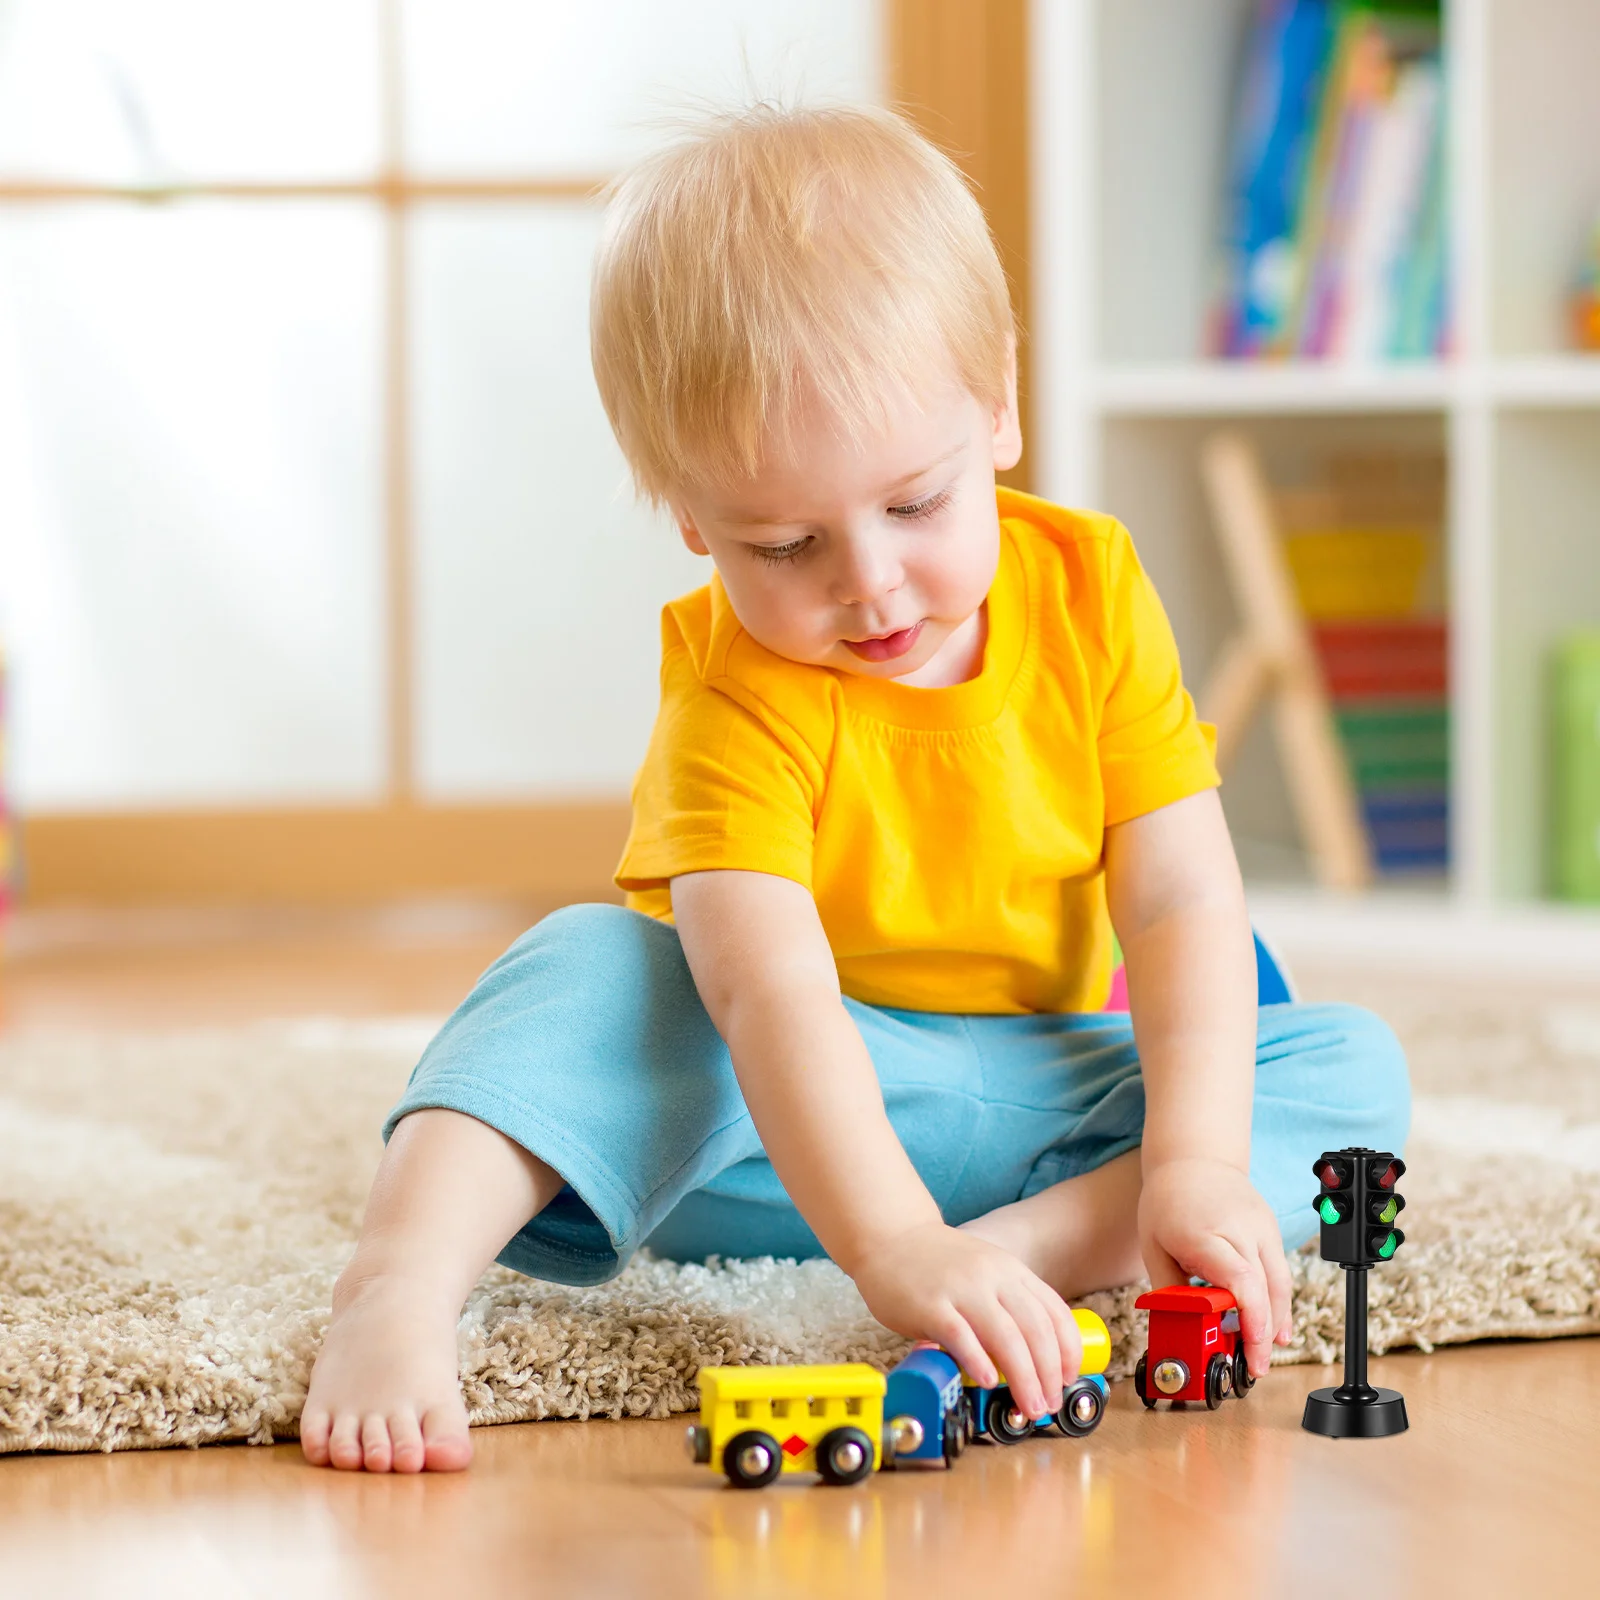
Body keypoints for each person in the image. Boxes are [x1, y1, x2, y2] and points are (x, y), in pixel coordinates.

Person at [300, 103, 1409, 1473]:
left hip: (1046, 1096)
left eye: (917, 506)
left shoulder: (1094, 590)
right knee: (582, 970)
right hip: (778, 1121)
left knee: (1345, 1067)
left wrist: (1189, 1160)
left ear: (1000, 405)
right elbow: (763, 993)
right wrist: (887, 1247)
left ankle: (1025, 1256)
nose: (870, 582)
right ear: (693, 518)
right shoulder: (733, 694)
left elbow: (1179, 896)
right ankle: (397, 1284)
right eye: (785, 542)